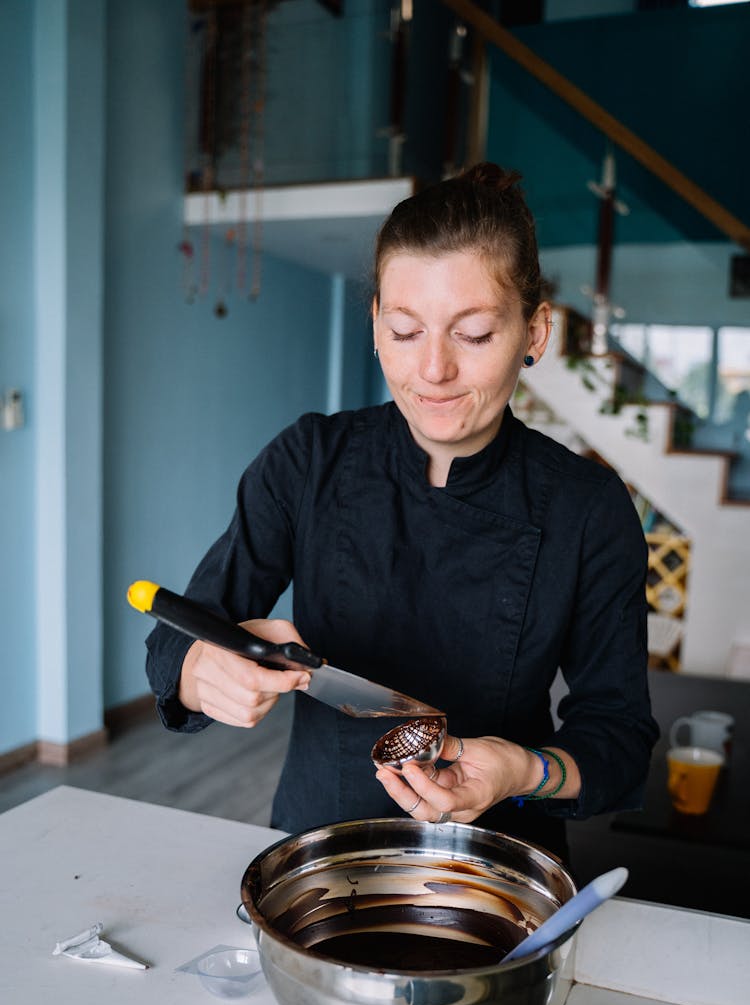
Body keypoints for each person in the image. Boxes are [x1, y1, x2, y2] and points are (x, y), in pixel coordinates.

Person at [145, 163, 658, 862]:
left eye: (473, 333)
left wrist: (524, 770)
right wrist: (203, 670)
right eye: (406, 329)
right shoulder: (309, 461)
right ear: (377, 324)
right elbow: (176, 635)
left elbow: (618, 739)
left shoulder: (587, 508)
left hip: (498, 865)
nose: (433, 370)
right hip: (319, 850)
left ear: (534, 332)